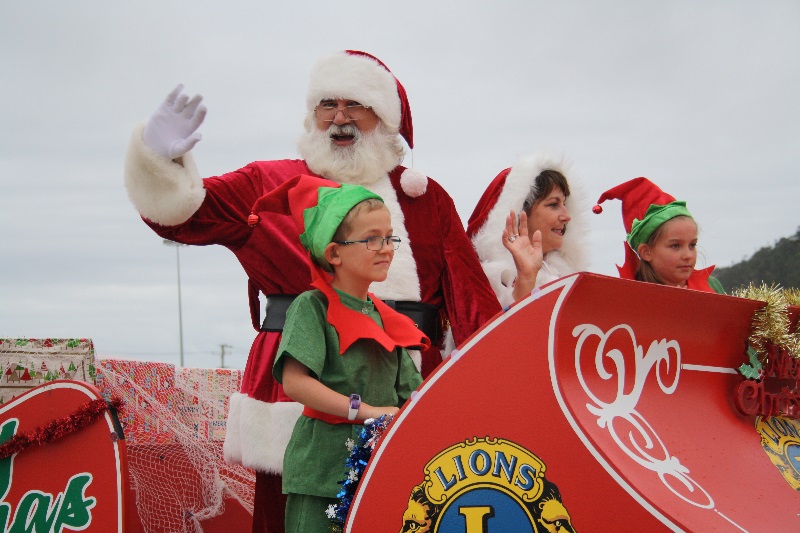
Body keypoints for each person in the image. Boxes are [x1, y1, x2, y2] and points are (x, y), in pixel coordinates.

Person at [123, 50, 501, 532]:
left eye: (354, 105)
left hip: (405, 386)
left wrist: (491, 386)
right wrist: (159, 159)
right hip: (295, 398)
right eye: (327, 104)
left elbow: (474, 306)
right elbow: (186, 215)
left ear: (384, 118)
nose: (339, 118)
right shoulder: (270, 182)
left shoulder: (425, 200)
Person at [246, 174, 426, 532]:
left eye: (389, 238)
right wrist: (367, 412)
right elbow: (296, 383)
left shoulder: (386, 317)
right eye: (372, 239)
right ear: (334, 253)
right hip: (321, 470)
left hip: (377, 470)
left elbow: (413, 397)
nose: (387, 248)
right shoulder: (311, 307)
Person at [466, 154, 590, 307]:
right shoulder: (489, 283)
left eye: (564, 203)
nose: (567, 216)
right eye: (553, 205)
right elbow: (507, 329)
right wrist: (526, 278)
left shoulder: (574, 280)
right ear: (520, 214)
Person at [592, 176, 725, 293]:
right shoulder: (631, 296)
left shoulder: (712, 287)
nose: (688, 255)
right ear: (646, 252)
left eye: (692, 245)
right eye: (675, 246)